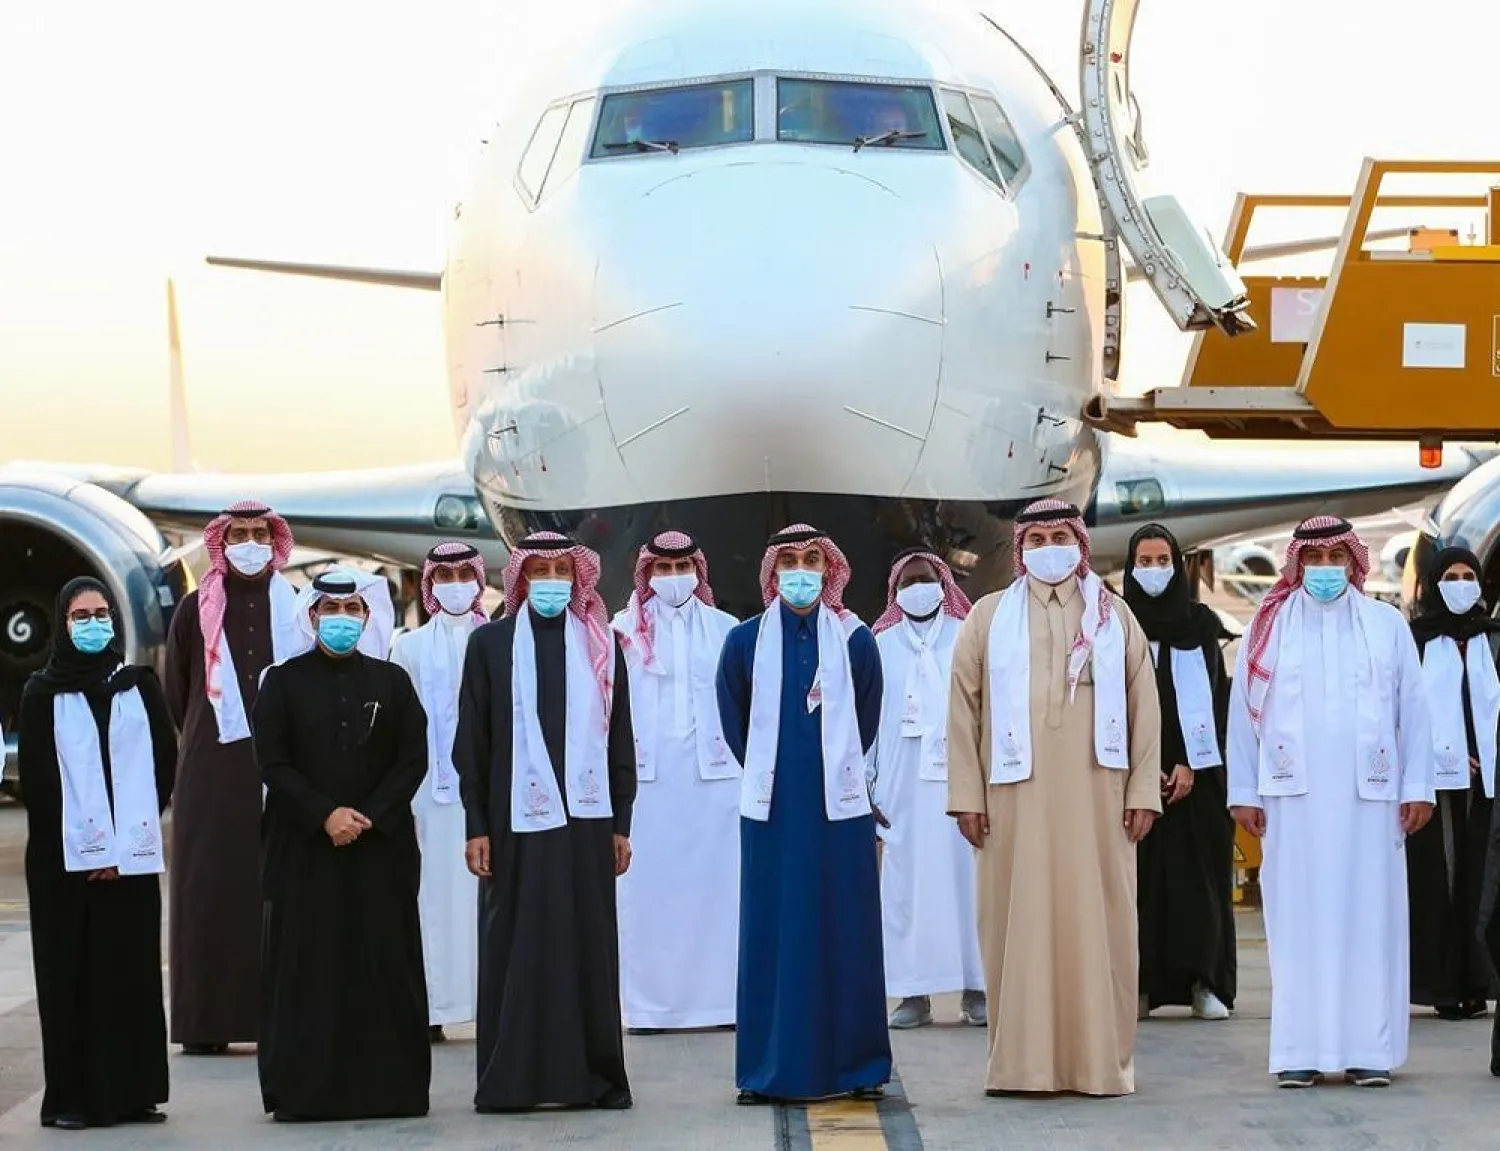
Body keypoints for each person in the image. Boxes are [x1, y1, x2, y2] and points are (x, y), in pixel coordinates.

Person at [946, 499, 1162, 1097]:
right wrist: (967, 794)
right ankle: (1022, 1066)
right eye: (1036, 537)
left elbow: (1146, 709)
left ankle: (1099, 1065)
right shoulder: (990, 617)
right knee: (1016, 927)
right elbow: (962, 710)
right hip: (1011, 807)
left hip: (1101, 804)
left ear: (1079, 543)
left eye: (1059, 535)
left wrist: (1144, 789)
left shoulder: (1113, 617)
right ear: (1021, 549)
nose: (1048, 547)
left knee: (1101, 927)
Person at [1227, 516, 1434, 1088]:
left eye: (1334, 557)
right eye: (1313, 558)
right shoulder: (1267, 631)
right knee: (1298, 921)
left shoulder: (1386, 625)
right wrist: (1243, 792)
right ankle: (1300, 1049)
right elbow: (1243, 717)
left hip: (1372, 803)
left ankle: (1370, 1049)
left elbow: (1412, 711)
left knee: (1372, 919)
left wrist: (1418, 787)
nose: (1323, 569)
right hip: (1292, 805)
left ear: (1353, 562)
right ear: (1296, 563)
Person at [455, 532, 636, 1112]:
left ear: (579, 579)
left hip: (587, 825)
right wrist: (476, 824)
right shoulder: (490, 645)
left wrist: (620, 824)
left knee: (586, 943)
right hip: (514, 826)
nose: (553, 580)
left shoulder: (602, 645)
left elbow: (620, 743)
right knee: (517, 941)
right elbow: (473, 744)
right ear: (520, 580)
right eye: (541, 571)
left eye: (563, 570)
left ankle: (595, 1078)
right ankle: (513, 1079)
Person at [716, 524, 890, 1104]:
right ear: (772, 572)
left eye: (811, 559)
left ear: (828, 568)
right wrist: (779, 771)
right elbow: (734, 720)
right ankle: (769, 1068)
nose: (800, 570)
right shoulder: (743, 643)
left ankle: (856, 1066)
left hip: (839, 816)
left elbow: (866, 719)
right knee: (775, 931)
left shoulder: (857, 640)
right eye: (788, 560)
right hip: (772, 813)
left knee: (846, 930)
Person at [253, 569, 430, 1122]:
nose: (342, 620)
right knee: (310, 967)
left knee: (383, 966)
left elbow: (412, 759)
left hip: (379, 852)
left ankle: (390, 1090)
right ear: (311, 618)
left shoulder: (392, 682)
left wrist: (370, 816)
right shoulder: (281, 683)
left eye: (353, 610)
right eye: (331, 611)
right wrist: (325, 815)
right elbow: (273, 762)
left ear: (367, 617)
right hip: (306, 853)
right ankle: (307, 1093)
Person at [19, 577, 176, 1130]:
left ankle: (134, 1093)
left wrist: (126, 841)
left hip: (130, 864)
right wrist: (92, 849)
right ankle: (73, 1099)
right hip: (66, 868)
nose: (93, 624)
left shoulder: (138, 684)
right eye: (80, 616)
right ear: (63, 625)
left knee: (128, 975)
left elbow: (163, 764)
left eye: (101, 613)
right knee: (74, 979)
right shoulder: (41, 693)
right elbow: (39, 782)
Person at [163, 500, 298, 1054]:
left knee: (280, 892)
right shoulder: (195, 610)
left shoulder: (294, 609)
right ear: (221, 542)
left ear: (274, 542)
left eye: (259, 534)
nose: (250, 543)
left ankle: (278, 1018)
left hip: (282, 770)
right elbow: (179, 692)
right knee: (208, 890)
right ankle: (207, 1025)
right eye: (239, 533)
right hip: (211, 772)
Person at [611, 531, 741, 1032]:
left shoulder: (726, 629)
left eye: (682, 566)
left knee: (720, 893)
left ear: (698, 571)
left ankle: (722, 1004)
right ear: (646, 574)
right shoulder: (622, 632)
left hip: (716, 783)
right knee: (647, 896)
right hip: (649, 786)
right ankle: (648, 1008)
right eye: (662, 569)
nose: (672, 578)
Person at [1124, 525, 1237, 1023]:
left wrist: (1190, 762)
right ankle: (1143, 985)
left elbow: (1214, 697)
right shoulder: (1119, 625)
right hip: (1134, 778)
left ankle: (1203, 982)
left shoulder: (1200, 624)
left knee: (1199, 885)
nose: (1153, 570)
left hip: (1195, 778)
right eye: (1143, 561)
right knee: (1141, 884)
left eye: (1161, 559)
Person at [869, 549, 985, 1030]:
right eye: (909, 580)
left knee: (969, 886)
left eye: (927, 578)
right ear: (896, 593)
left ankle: (976, 989)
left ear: (944, 585)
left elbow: (985, 713)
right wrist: (868, 785)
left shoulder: (967, 637)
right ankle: (912, 995)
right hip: (900, 787)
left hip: (959, 785)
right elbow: (866, 721)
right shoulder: (879, 644)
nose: (919, 587)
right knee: (903, 892)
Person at [389, 542, 487, 1042]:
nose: (454, 585)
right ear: (429, 586)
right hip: (426, 794)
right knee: (429, 899)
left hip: (484, 795)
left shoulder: (495, 639)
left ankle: (489, 1001)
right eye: (443, 576)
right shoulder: (406, 646)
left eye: (463, 575)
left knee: (484, 899)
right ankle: (432, 1009)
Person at [1407, 548, 1499, 1019]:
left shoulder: (1494, 640)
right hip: (1436, 783)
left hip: (1488, 785)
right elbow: (1406, 708)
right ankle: (1443, 987)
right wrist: (1446, 751)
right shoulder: (1417, 641)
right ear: (1433, 583)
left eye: (1469, 576)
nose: (1460, 584)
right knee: (1438, 881)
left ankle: (1479, 982)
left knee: (1481, 884)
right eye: (1450, 576)